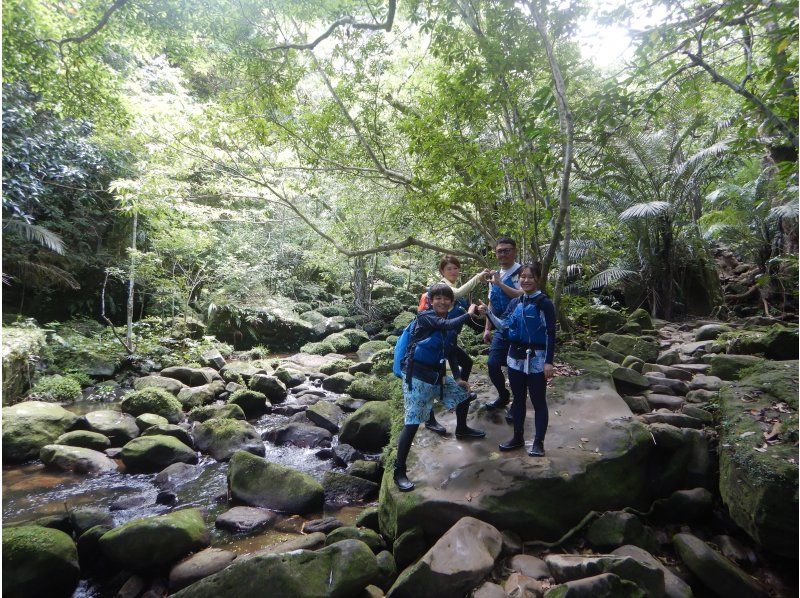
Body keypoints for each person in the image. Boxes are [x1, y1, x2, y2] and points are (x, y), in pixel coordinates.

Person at [395, 283, 486, 492]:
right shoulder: (425, 317)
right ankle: (399, 471)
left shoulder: (447, 322)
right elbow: (446, 326)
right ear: (430, 300)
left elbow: (451, 351)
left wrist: (458, 377)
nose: (442, 302)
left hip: (436, 375)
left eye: (447, 299)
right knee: (412, 423)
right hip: (416, 376)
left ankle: (462, 429)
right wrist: (469, 313)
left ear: (451, 302)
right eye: (438, 298)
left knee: (464, 395)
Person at [480, 263, 556, 457]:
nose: (526, 280)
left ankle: (538, 443)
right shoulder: (516, 302)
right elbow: (504, 326)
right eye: (523, 276)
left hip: (537, 359)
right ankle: (517, 438)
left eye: (530, 277)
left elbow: (550, 334)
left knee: (538, 401)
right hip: (515, 358)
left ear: (538, 279)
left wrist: (549, 361)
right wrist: (488, 313)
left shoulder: (544, 303)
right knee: (519, 400)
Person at [417, 256, 490, 435]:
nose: (453, 272)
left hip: (450, 339)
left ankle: (459, 394)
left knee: (467, 363)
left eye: (456, 268)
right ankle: (431, 419)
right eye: (449, 269)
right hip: (438, 344)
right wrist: (478, 277)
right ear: (442, 272)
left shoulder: (455, 292)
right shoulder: (443, 288)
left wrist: (479, 312)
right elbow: (456, 294)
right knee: (435, 381)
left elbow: (465, 314)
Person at [483, 238, 524, 414]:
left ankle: (518, 404)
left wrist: (500, 283)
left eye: (506, 250)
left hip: (519, 328)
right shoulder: (496, 274)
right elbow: (491, 303)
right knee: (493, 364)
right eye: (499, 251)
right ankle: (503, 395)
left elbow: (522, 294)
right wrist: (487, 328)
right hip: (500, 327)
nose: (503, 254)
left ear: (514, 252)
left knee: (516, 368)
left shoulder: (522, 271)